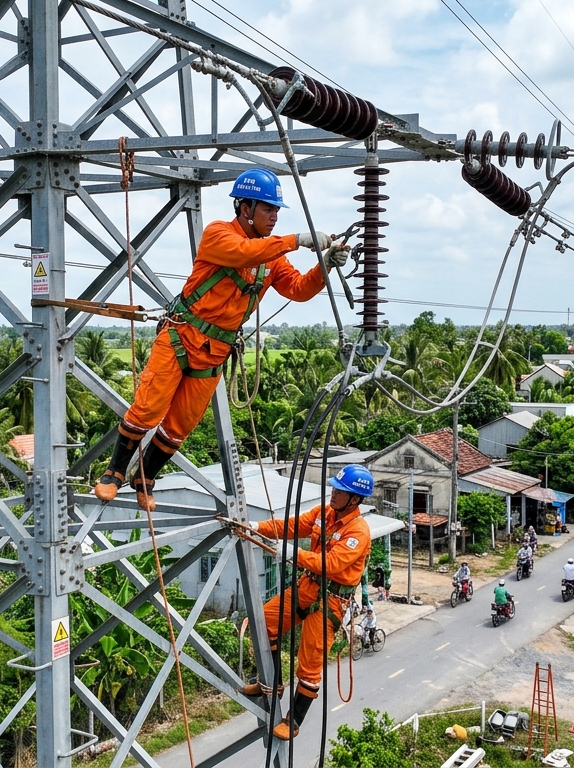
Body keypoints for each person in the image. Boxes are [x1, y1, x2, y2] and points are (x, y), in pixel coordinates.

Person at [93, 168, 349, 512]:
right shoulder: (218, 234)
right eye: (268, 209)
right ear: (245, 208)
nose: (274, 217)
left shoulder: (272, 257)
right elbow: (243, 252)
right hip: (181, 336)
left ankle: (145, 478)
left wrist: (324, 266)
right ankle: (114, 472)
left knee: (181, 424)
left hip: (215, 351)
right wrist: (297, 239)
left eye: (276, 210)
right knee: (148, 409)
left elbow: (298, 289)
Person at [236, 464, 373, 740]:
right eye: (334, 488)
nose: (333, 493)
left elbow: (331, 564)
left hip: (331, 602)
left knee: (309, 663)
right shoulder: (325, 513)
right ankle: (272, 684)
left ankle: (294, 720)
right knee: (264, 622)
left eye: (340, 491)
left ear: (355, 499)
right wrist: (257, 528)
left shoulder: (358, 532)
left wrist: (294, 554)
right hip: (308, 587)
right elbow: (291, 526)